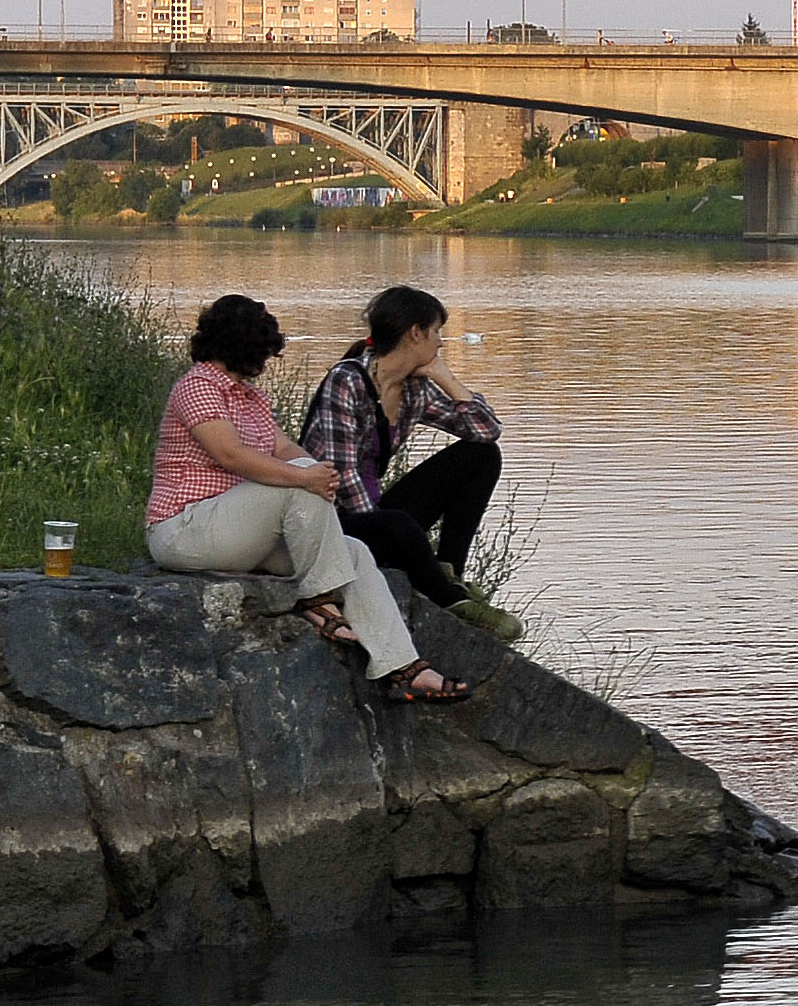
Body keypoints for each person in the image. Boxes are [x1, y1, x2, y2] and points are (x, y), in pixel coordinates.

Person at [144, 295, 465, 705]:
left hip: (237, 531)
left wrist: (319, 469)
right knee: (299, 486)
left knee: (354, 552)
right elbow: (230, 455)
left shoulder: (250, 398)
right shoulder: (198, 385)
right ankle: (318, 600)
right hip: (184, 529)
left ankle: (402, 667)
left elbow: (283, 450)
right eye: (263, 350)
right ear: (244, 346)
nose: (265, 360)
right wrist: (305, 478)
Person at [302, 285, 520, 644]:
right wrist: (386, 531)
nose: (441, 344)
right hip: (332, 520)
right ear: (416, 333)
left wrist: (448, 379)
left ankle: (449, 572)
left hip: (377, 517)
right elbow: (341, 476)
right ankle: (449, 600)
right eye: (437, 333)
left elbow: (485, 432)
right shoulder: (347, 381)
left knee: (481, 457)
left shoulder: (414, 389)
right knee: (396, 525)